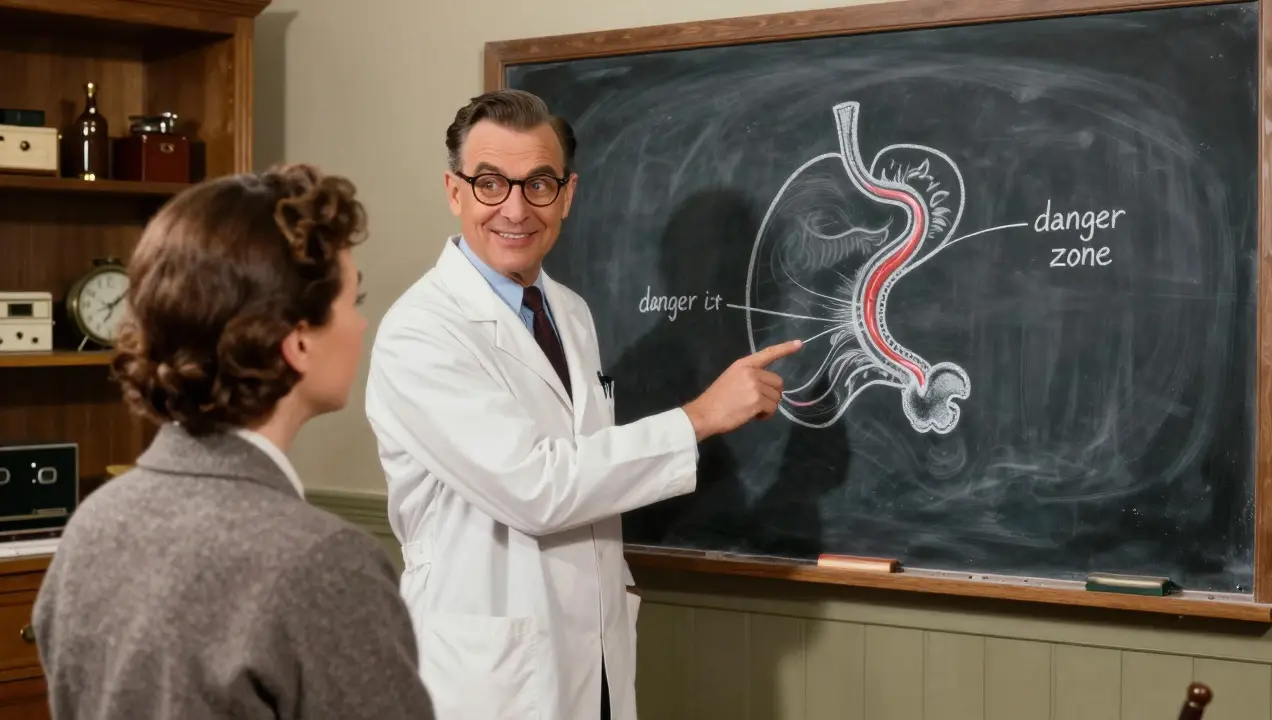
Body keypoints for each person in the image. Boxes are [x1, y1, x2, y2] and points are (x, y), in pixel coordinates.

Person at [364, 89, 801, 720]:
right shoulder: (422, 332)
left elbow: (586, 469)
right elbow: (536, 488)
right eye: (490, 183)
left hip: (589, 658)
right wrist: (700, 417)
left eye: (538, 183)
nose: (515, 208)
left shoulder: (568, 310)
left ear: (567, 195)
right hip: (489, 680)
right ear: (454, 192)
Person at [32, 164, 436, 720]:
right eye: (353, 298)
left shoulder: (92, 526)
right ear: (297, 340)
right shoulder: (324, 564)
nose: (362, 325)